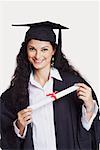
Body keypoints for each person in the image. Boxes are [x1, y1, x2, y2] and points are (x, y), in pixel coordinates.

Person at [0, 21, 100, 150]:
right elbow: (7, 140)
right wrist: (19, 126)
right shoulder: (15, 94)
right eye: (32, 49)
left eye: (44, 49)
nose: (38, 56)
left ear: (54, 50)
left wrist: (89, 107)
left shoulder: (71, 85)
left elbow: (87, 130)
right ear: (26, 50)